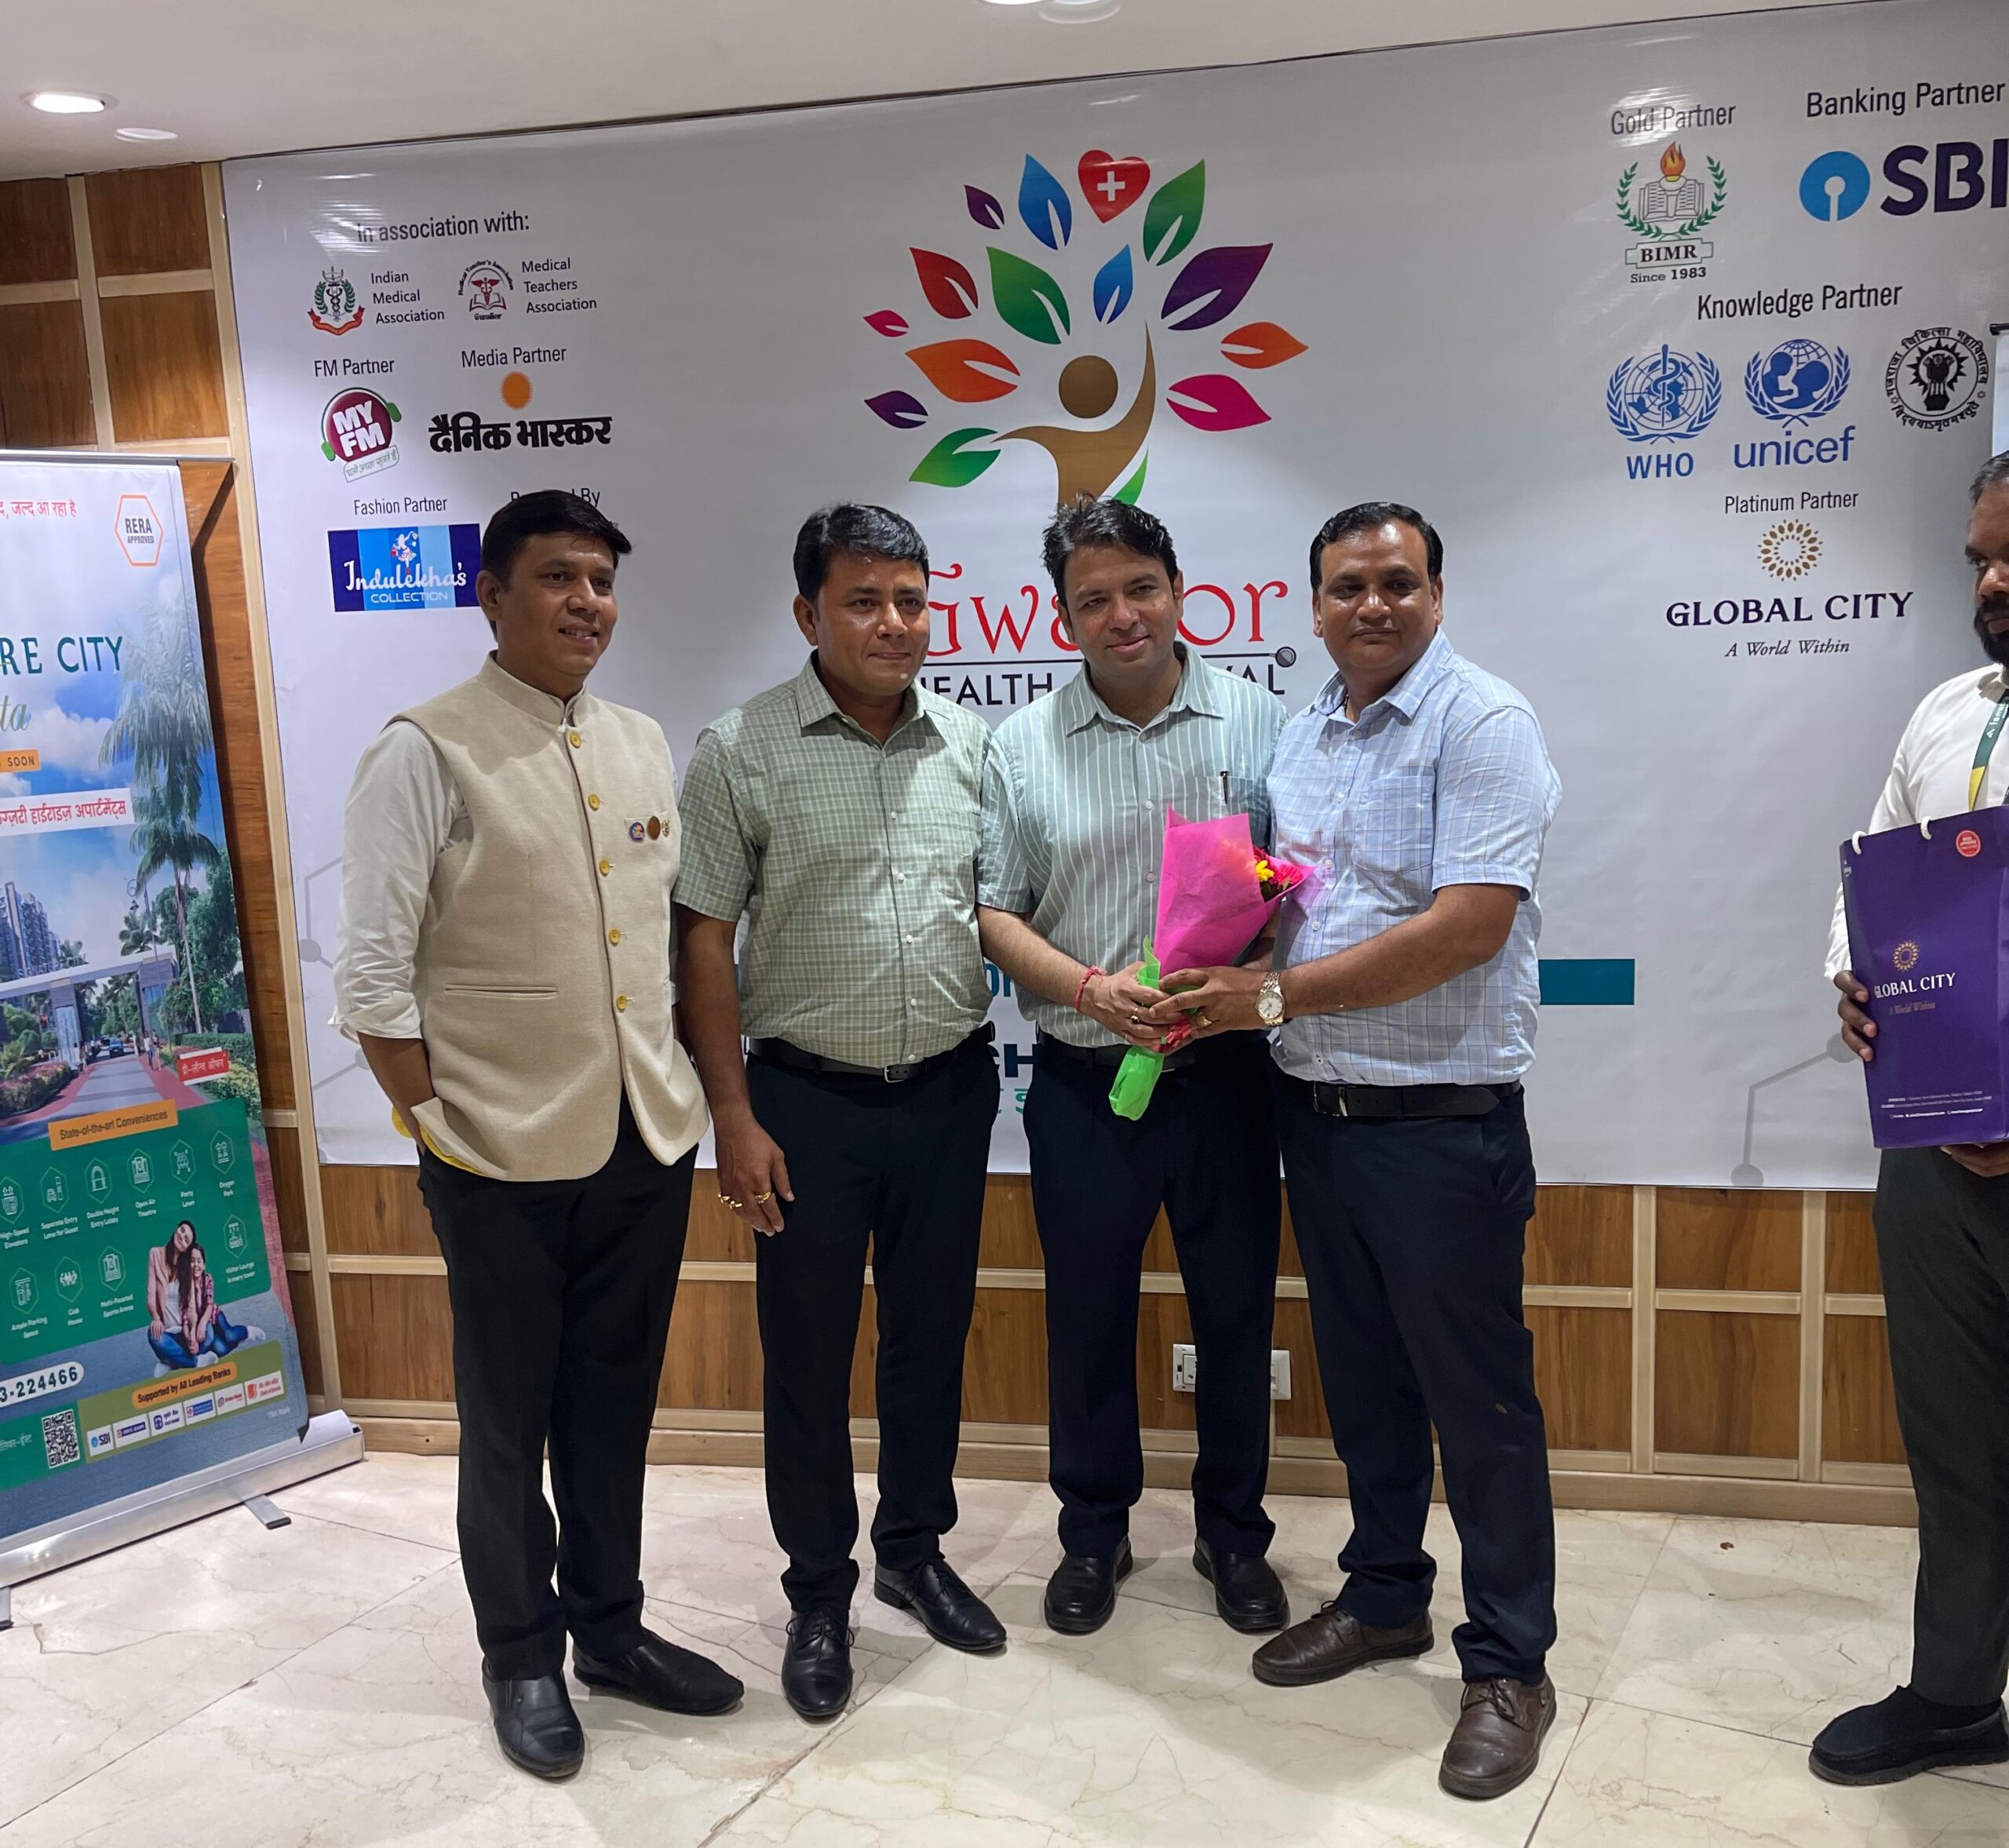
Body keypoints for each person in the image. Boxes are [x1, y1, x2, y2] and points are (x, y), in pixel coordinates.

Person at [1150, 501, 1562, 1801]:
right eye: (1347, 587)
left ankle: (1511, 1663)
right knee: (1368, 1387)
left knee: (1478, 1407)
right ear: (1314, 605)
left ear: (1438, 594)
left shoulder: (1482, 722)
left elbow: (1468, 926)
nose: (1372, 605)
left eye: (1397, 582)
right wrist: (1217, 951)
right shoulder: (1305, 734)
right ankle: (1385, 1596)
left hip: (1441, 1125)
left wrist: (1271, 996)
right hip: (1318, 1122)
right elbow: (1298, 906)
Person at [333, 490, 740, 1782]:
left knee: (612, 1408)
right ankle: (519, 1654)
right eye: (559, 577)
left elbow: (655, 944)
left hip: (641, 1139)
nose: (587, 603)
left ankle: (611, 1632)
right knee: (508, 1422)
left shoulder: (638, 741)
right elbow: (372, 980)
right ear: (493, 595)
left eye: (602, 581)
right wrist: (436, 1126)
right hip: (493, 1152)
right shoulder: (425, 749)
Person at [674, 504, 1004, 1722]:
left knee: (931, 1337)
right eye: (864, 601)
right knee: (808, 1357)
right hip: (802, 1104)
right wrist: (732, 1113)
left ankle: (914, 1551)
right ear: (808, 614)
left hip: (950, 1091)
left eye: (912, 600)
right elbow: (702, 941)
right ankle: (820, 1589)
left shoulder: (971, 745)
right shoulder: (742, 750)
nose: (894, 624)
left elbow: (1005, 908)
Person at [977, 495, 1289, 1639]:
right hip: (1083, 1080)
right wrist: (1087, 990)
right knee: (1088, 1314)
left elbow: (1300, 890)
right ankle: (1092, 1532)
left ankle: (1234, 1534)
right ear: (1062, 618)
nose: (1123, 616)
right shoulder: (1021, 746)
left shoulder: (1262, 723)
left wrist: (1249, 981)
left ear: (1179, 590)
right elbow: (995, 912)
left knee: (1237, 1310)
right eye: (1094, 600)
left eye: (1141, 589)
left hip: (1225, 1078)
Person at [1818, 450, 2009, 1786]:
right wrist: (1858, 980)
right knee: (1954, 1439)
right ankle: (1953, 1694)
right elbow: (1872, 880)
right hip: (1939, 1151)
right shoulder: (1949, 711)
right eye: (1981, 559)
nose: (1992, 584)